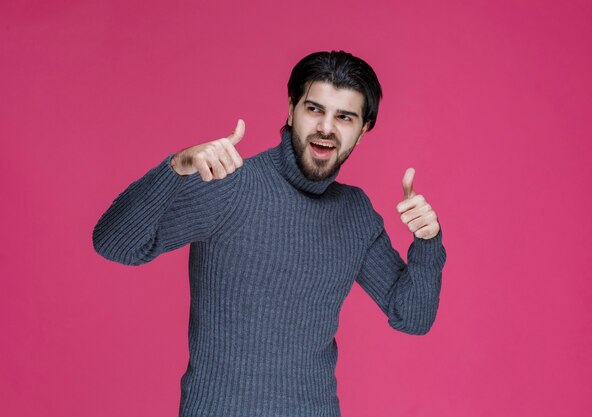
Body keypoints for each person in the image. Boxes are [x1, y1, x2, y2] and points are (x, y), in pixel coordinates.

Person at [93, 50, 447, 417]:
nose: (326, 127)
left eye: (344, 117)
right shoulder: (229, 185)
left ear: (362, 130)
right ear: (291, 110)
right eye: (314, 109)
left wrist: (427, 242)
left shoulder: (354, 213)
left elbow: (413, 317)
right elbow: (114, 244)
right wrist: (175, 167)